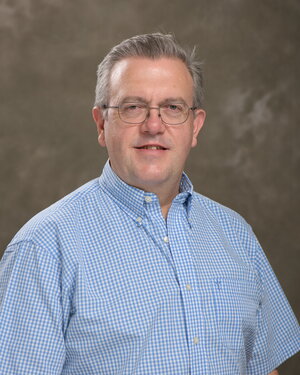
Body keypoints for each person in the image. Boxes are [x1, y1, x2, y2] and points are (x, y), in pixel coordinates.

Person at [0, 33, 299, 375]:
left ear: (195, 126)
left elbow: (262, 368)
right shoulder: (44, 247)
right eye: (133, 107)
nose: (153, 125)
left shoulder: (235, 234)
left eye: (173, 108)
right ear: (101, 124)